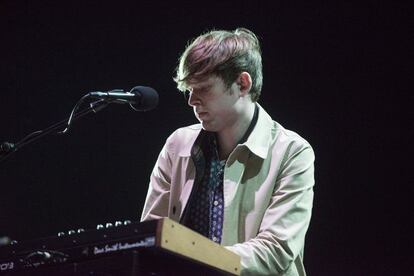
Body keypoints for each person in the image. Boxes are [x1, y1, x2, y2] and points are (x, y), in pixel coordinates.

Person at [141, 28, 315, 275]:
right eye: (189, 90)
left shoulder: (292, 152)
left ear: (242, 83)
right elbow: (151, 236)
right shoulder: (177, 145)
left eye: (203, 88)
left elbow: (276, 250)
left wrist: (195, 257)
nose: (192, 100)